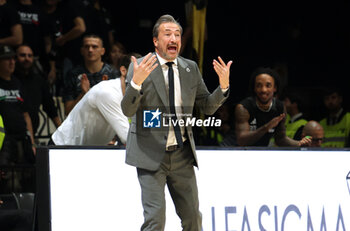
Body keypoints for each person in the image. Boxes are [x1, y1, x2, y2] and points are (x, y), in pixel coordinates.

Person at [121, 14, 232, 231]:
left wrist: (224, 87)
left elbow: (206, 107)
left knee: (193, 219)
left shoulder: (190, 68)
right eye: (167, 34)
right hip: (150, 153)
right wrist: (135, 84)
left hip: (181, 154)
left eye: (178, 34)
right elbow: (128, 110)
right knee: (155, 220)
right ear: (156, 41)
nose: (174, 38)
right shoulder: (141, 66)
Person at [51, 54, 130, 145]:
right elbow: (127, 137)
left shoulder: (135, 96)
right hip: (63, 148)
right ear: (124, 71)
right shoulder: (107, 92)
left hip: (89, 150)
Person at [235, 67, 311, 147]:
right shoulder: (244, 108)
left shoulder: (280, 107)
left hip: (263, 150)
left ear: (275, 88)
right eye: (259, 85)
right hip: (239, 151)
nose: (263, 90)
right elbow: (242, 141)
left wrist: (298, 143)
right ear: (254, 88)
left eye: (268, 85)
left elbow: (280, 139)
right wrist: (267, 127)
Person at [0, 44, 36, 193]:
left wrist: (32, 143)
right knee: (6, 180)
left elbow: (26, 114)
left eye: (13, 59)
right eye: (7, 59)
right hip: (4, 142)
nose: (12, 62)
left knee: (27, 178)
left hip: (22, 139)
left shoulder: (17, 83)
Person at [62, 34, 119, 115]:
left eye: (94, 47)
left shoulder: (113, 73)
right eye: (86, 47)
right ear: (82, 51)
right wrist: (83, 94)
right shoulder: (73, 74)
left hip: (106, 124)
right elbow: (68, 111)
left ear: (102, 51)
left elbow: (121, 109)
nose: (90, 50)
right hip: (81, 124)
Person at [14, 44, 61, 135]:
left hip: (32, 134)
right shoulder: (9, 80)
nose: (27, 59)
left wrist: (61, 131)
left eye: (30, 56)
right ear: (15, 58)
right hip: (10, 133)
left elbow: (50, 107)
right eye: (23, 55)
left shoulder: (39, 80)